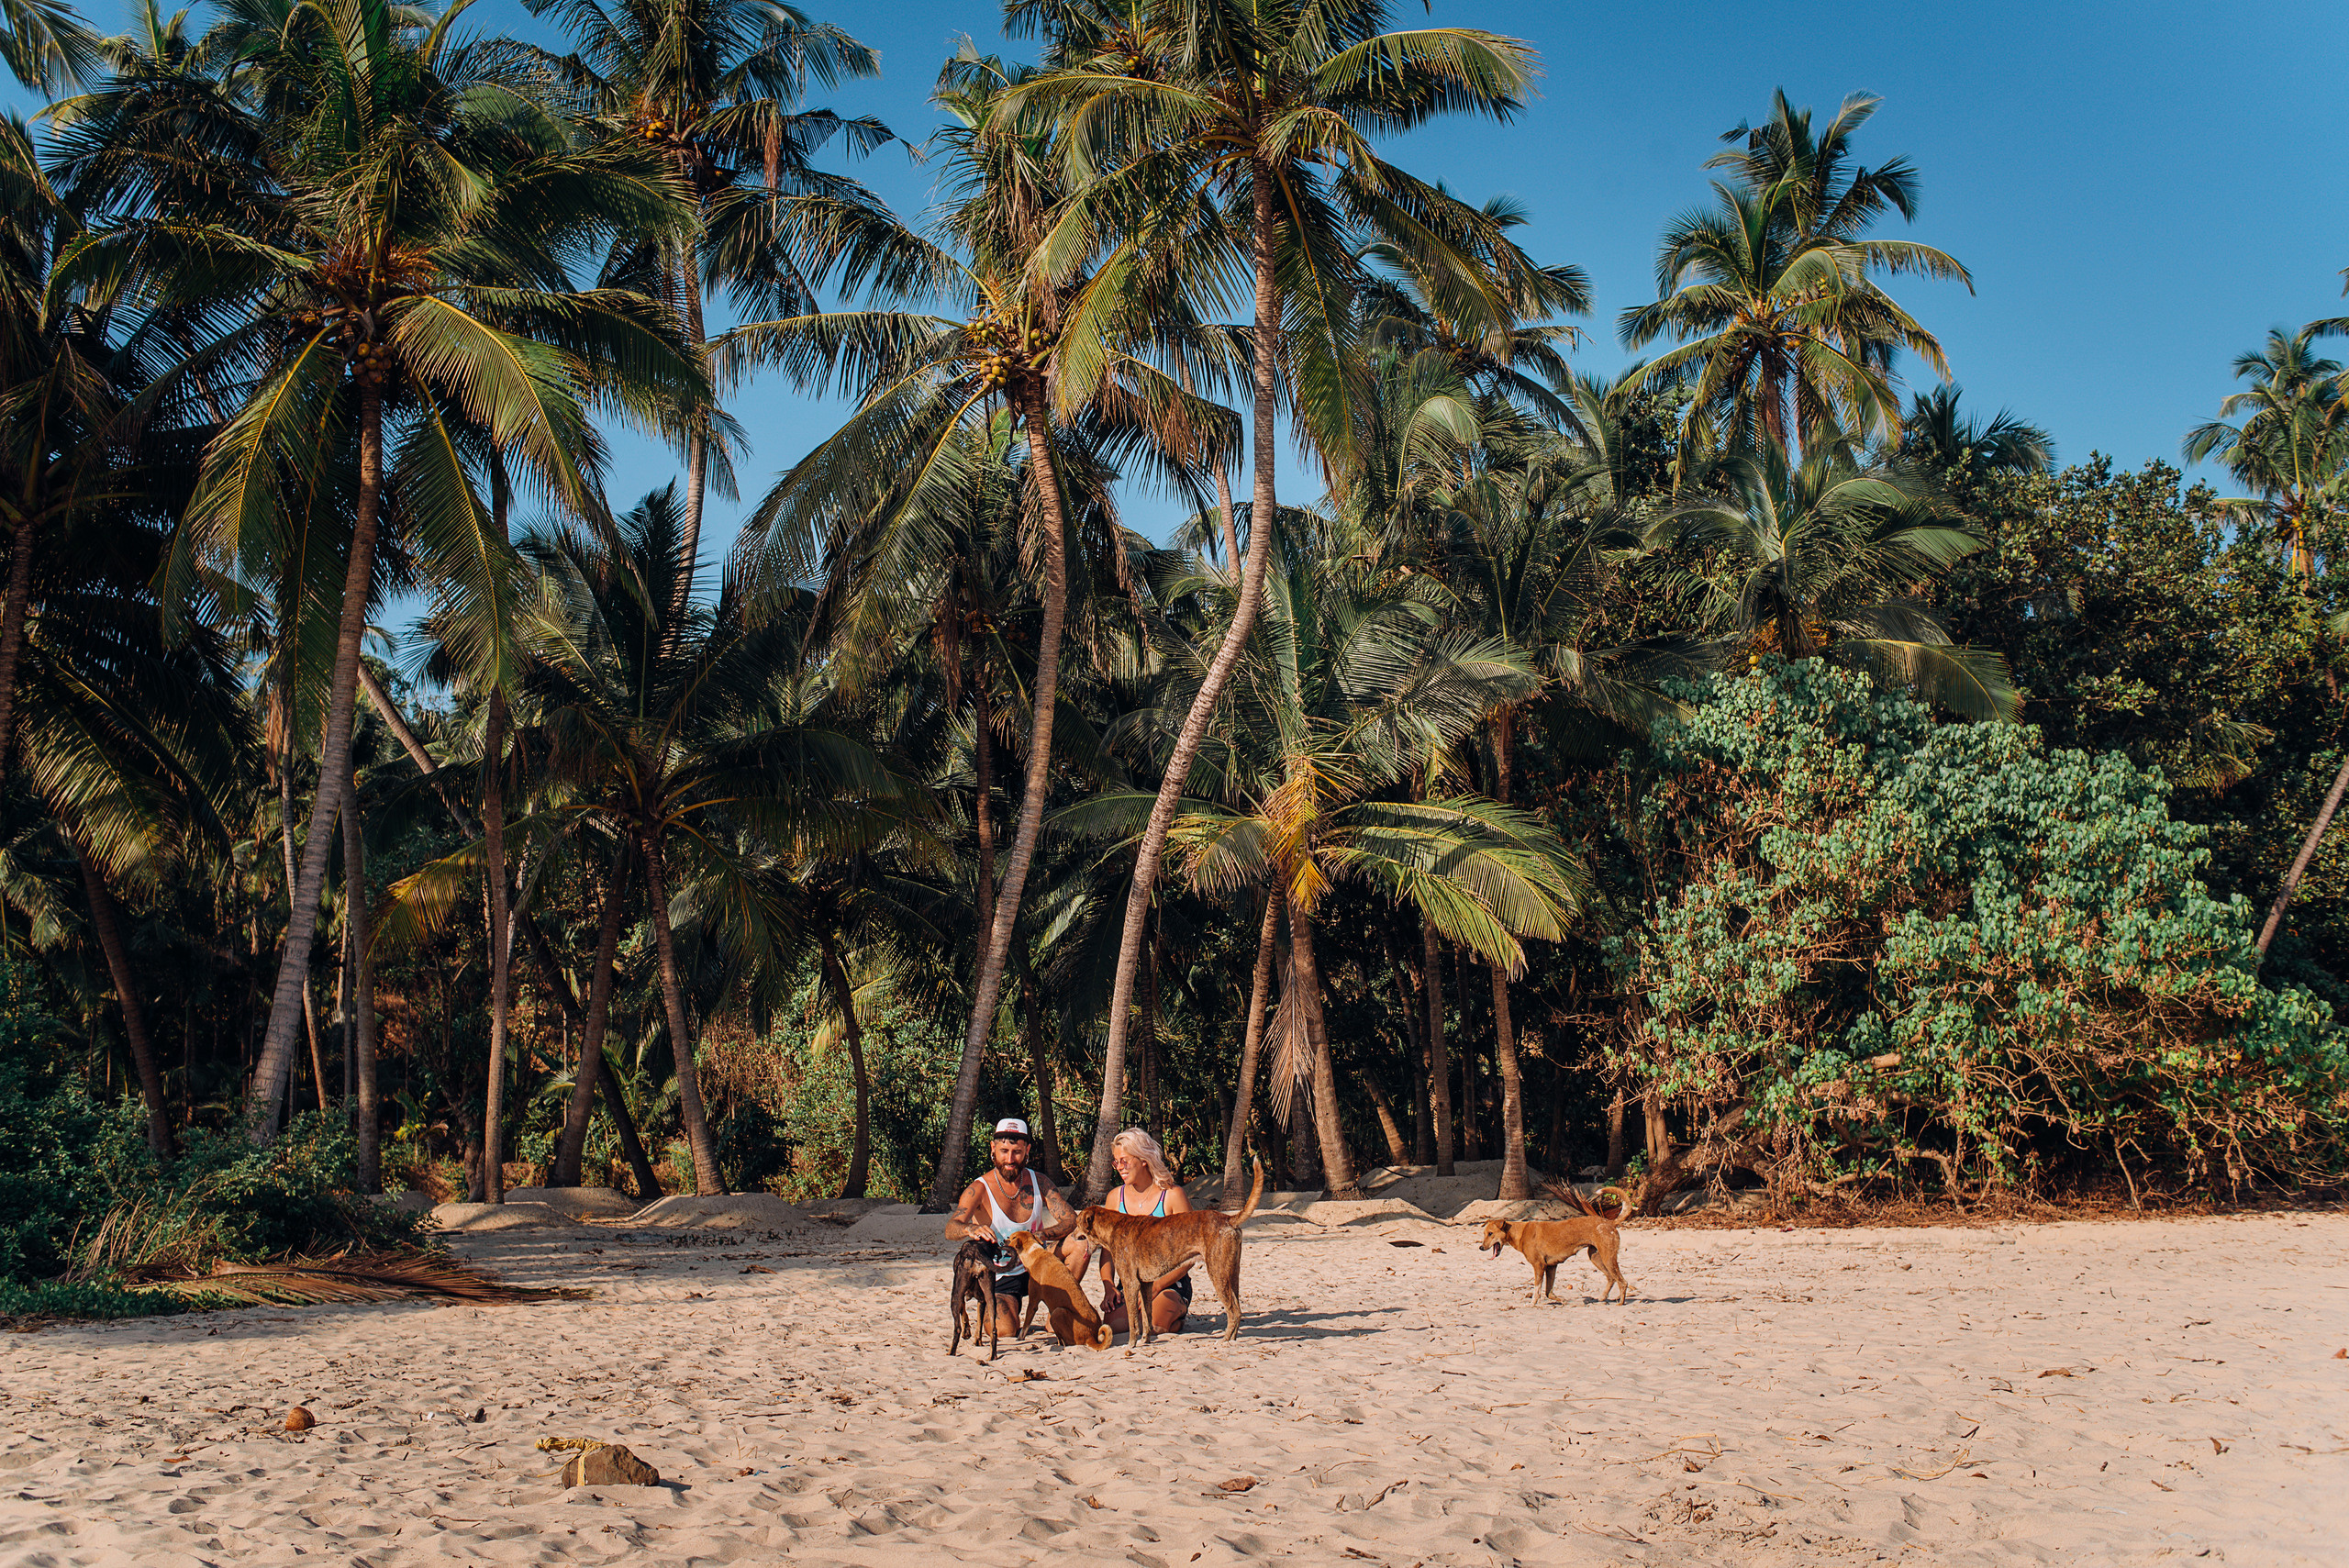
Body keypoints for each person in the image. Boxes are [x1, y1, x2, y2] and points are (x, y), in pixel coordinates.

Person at [942, 1118, 1088, 1340]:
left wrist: (1041, 1235)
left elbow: (1071, 1219)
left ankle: (1058, 1309)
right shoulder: (979, 1188)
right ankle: (1009, 1311)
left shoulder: (1039, 1182)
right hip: (1002, 1273)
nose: (1010, 1159)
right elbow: (951, 1228)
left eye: (1017, 1152)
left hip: (1039, 1264)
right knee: (1005, 1330)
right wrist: (970, 1228)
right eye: (1003, 1151)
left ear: (1027, 1150)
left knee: (1081, 1244)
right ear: (993, 1148)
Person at [1097, 1126, 1193, 1337]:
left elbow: (1190, 1256)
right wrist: (1108, 1287)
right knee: (1114, 1327)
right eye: (1116, 1161)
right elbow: (1108, 1253)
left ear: (1143, 1159)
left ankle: (1176, 1316)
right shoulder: (1115, 1198)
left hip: (1169, 1283)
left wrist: (1157, 1285)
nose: (1119, 1167)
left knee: (1153, 1327)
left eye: (1125, 1160)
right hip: (1130, 1284)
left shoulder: (1172, 1196)